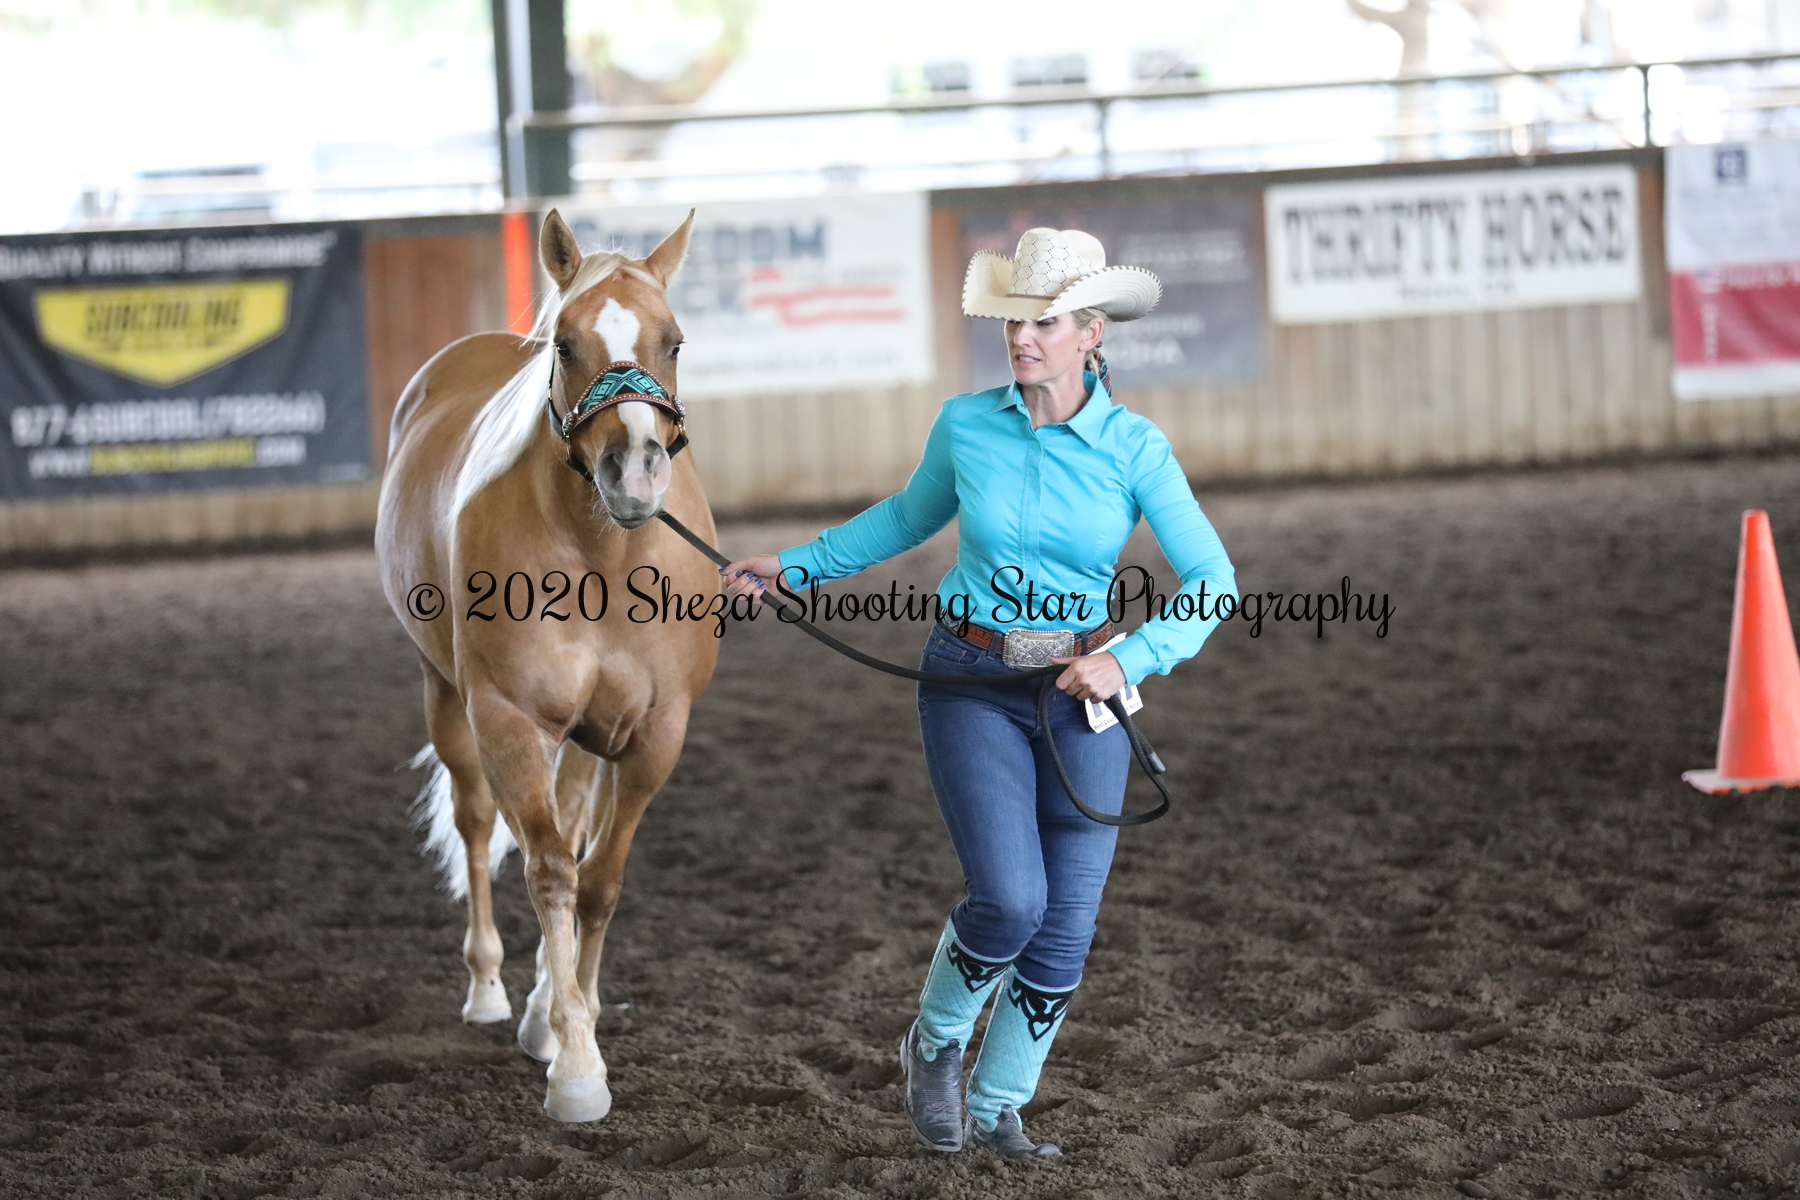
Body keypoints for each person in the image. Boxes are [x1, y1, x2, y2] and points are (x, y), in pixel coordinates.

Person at [721, 227, 1236, 1158]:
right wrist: (795, 566)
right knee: (1009, 900)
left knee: (1065, 928)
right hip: (969, 680)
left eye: (1045, 323)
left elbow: (1213, 581)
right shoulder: (966, 424)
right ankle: (935, 1041)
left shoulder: (1136, 448)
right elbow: (905, 517)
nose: (1022, 338)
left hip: (1082, 694)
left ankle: (1000, 1106)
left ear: (1091, 333)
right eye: (1013, 321)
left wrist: (1132, 659)